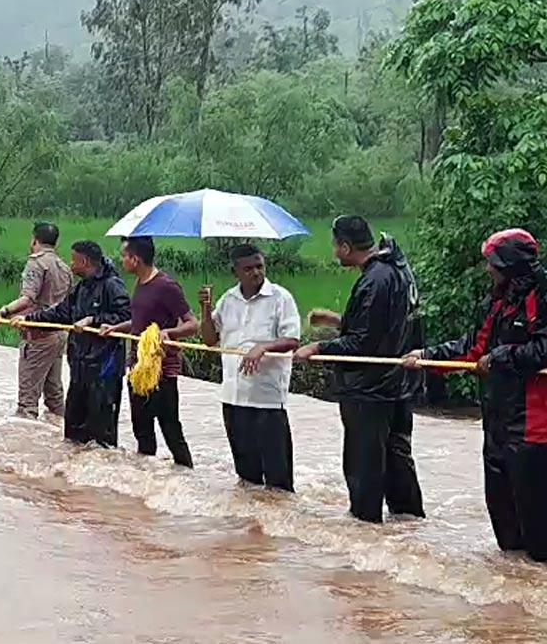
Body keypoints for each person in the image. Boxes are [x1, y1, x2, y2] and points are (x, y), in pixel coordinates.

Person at [404, 229, 547, 559]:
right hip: (497, 424)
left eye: (492, 263)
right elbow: (472, 349)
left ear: (510, 265)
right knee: (506, 533)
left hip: (533, 431)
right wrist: (428, 357)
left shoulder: (542, 296)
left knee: (539, 539)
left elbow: (542, 348)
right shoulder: (497, 300)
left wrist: (500, 357)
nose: (488, 270)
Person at [295, 215, 425, 524]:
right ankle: (409, 528)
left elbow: (363, 343)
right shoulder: (397, 270)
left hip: (370, 388)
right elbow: (384, 329)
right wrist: (339, 321)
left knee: (364, 463)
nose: (334, 253)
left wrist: (318, 347)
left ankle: (364, 529)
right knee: (397, 458)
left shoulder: (375, 279)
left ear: (345, 246)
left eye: (335, 247)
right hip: (398, 383)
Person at [199, 244, 302, 491]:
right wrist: (205, 308)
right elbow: (210, 339)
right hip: (234, 398)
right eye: (248, 269)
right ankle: (251, 527)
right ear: (236, 272)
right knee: (246, 478)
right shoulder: (228, 300)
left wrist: (263, 347)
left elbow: (292, 340)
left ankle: (281, 525)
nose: (255, 272)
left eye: (259, 266)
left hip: (266, 399)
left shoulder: (280, 298)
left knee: (279, 482)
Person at [99, 237, 198, 465]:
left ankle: (186, 480)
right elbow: (138, 322)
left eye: (125, 255)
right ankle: (146, 486)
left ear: (136, 259)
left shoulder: (166, 286)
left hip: (162, 371)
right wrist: (115, 328)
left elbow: (192, 323)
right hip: (138, 370)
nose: (122, 260)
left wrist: (169, 334)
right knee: (142, 431)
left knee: (171, 430)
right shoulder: (140, 284)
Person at [23, 240, 130, 446]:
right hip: (80, 368)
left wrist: (94, 320)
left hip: (104, 373)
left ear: (84, 261)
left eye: (73, 260)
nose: (71, 265)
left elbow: (127, 318)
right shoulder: (82, 288)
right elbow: (61, 313)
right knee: (72, 435)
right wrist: (28, 320)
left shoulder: (112, 285)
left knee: (100, 440)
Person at [0, 222, 73, 419]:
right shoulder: (65, 267)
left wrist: (3, 311)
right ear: (56, 242)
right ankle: (61, 437)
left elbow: (28, 298)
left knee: (27, 401)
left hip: (37, 336)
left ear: (35, 239)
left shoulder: (36, 263)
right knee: (54, 396)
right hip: (59, 334)